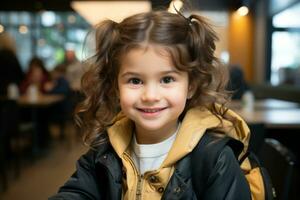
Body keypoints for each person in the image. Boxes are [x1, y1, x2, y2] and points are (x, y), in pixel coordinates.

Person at [50, 11, 252, 199]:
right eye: (135, 81)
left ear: (191, 86)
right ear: (116, 87)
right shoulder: (104, 150)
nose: (150, 96)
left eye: (167, 79)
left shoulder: (215, 158)